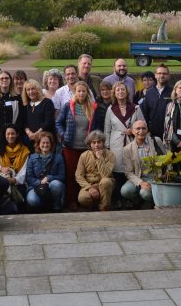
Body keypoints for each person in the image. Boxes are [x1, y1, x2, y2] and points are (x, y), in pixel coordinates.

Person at [56, 81, 96, 210]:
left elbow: (96, 127)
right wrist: (63, 134)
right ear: (75, 92)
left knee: (86, 175)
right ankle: (71, 201)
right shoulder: (68, 106)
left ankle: (84, 199)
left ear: (87, 92)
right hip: (70, 147)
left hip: (87, 149)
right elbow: (58, 123)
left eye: (84, 91)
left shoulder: (92, 107)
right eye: (79, 91)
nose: (81, 93)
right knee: (72, 175)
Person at [103, 82, 144, 195]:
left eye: (123, 90)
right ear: (114, 93)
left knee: (132, 167)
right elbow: (107, 129)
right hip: (116, 142)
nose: (120, 92)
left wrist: (134, 131)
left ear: (127, 92)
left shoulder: (135, 108)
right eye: (118, 90)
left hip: (133, 141)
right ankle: (118, 198)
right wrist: (107, 147)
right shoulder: (111, 109)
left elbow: (143, 125)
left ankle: (132, 196)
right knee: (117, 168)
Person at [120, 119, 165, 207]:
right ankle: (138, 202)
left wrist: (167, 173)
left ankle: (151, 202)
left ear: (147, 130)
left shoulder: (156, 141)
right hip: (138, 177)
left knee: (145, 193)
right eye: (138, 129)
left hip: (154, 177)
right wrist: (140, 182)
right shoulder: (127, 149)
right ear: (132, 131)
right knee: (125, 191)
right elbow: (128, 172)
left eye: (143, 128)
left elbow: (166, 158)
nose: (141, 131)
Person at [24, 131, 65, 211]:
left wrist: (49, 178)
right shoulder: (32, 158)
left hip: (52, 185)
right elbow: (29, 178)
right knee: (32, 201)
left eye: (47, 143)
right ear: (38, 144)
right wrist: (40, 182)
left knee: (56, 184)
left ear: (51, 144)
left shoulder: (58, 158)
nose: (45, 145)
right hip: (36, 186)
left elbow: (62, 176)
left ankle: (56, 205)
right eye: (43, 143)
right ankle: (45, 205)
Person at [76, 130, 115, 211]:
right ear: (90, 144)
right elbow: (79, 175)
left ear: (103, 143)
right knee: (82, 198)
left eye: (99, 142)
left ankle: (104, 208)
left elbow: (106, 174)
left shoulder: (110, 154)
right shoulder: (84, 156)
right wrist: (89, 188)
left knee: (106, 181)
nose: (96, 145)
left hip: (104, 184)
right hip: (90, 184)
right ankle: (94, 206)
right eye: (94, 143)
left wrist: (99, 158)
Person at [0, 124, 29, 208]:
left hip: (19, 183)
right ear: (5, 135)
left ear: (17, 134)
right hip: (3, 181)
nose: (10, 136)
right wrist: (1, 169)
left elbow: (24, 173)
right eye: (8, 134)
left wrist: (13, 180)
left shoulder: (24, 151)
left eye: (13, 133)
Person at [22, 79, 55, 149]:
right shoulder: (26, 105)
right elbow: (24, 122)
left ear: (38, 89)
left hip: (45, 141)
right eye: (28, 90)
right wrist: (29, 133)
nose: (31, 92)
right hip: (30, 139)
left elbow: (49, 121)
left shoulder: (47, 102)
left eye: (33, 89)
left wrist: (37, 134)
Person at [141, 64, 171, 139]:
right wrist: (147, 129)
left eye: (164, 73)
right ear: (155, 75)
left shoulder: (173, 92)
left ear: (168, 76)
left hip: (169, 133)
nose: (162, 76)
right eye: (159, 73)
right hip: (152, 133)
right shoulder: (149, 92)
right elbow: (144, 113)